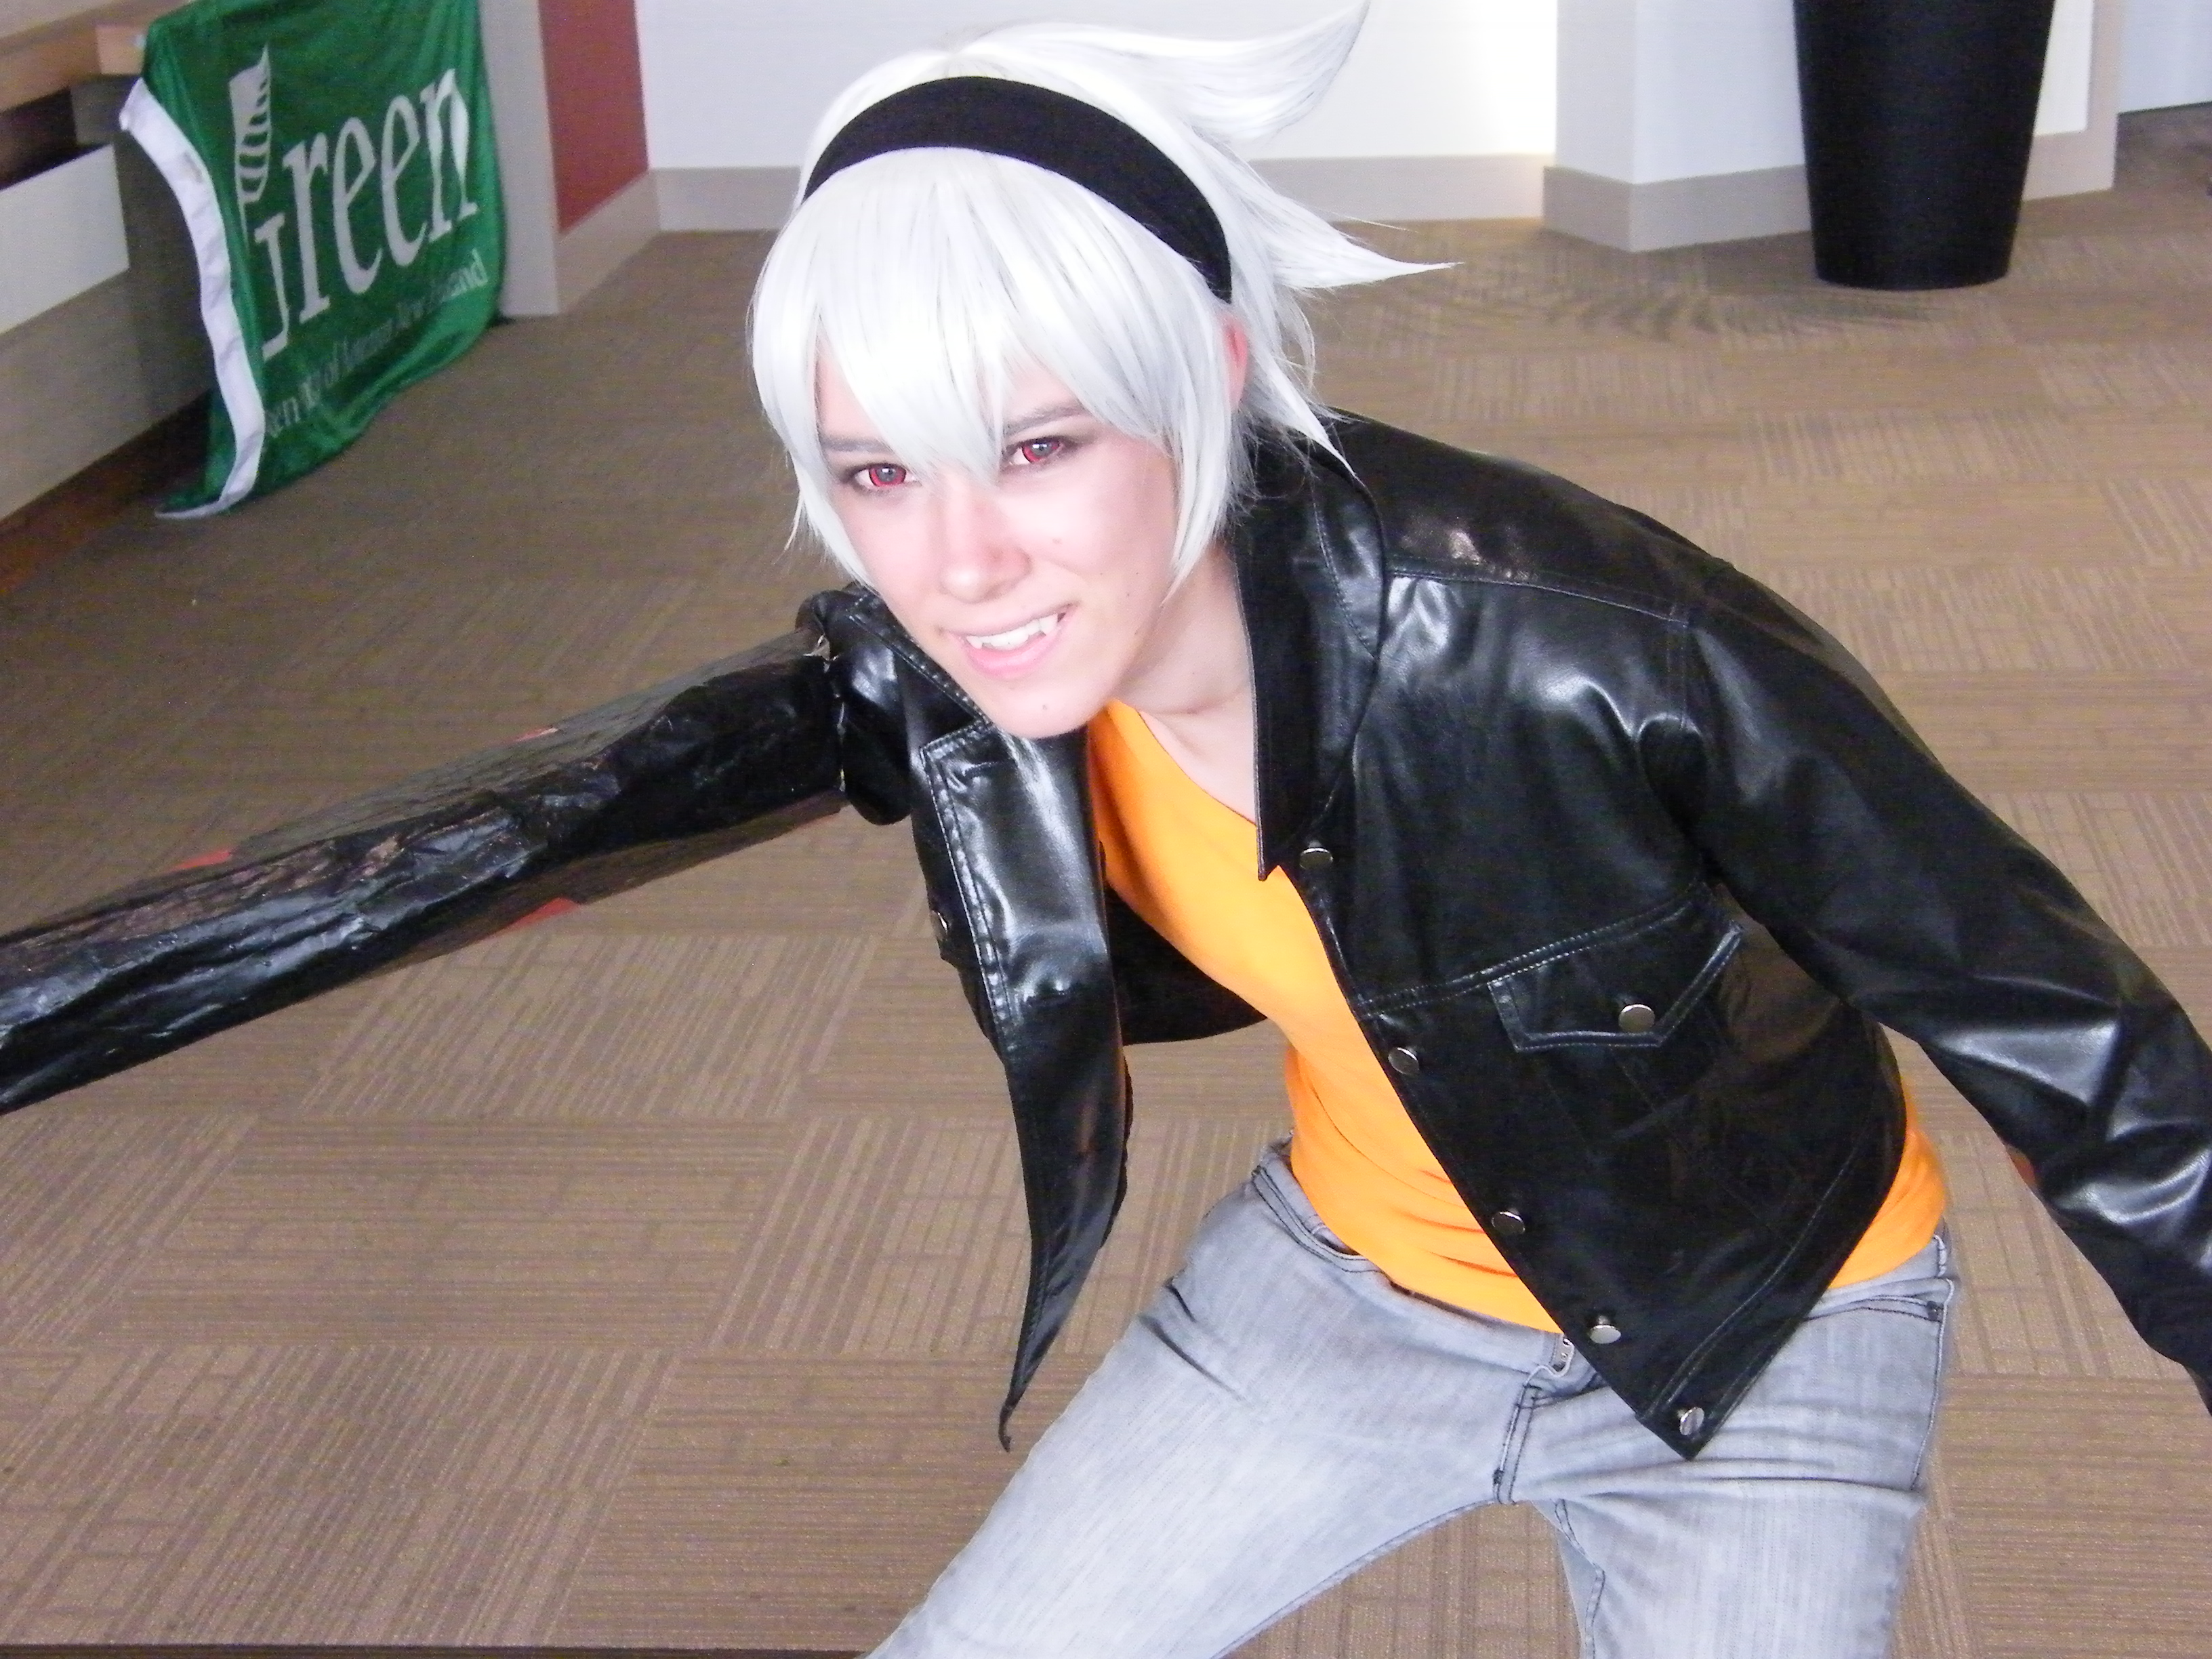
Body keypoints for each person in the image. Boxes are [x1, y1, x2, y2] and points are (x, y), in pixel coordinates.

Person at [3, 12, 2211, 1658]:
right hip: (1362, 1287)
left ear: (1208, 378)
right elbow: (521, 824)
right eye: (881, 473)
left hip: (1757, 1315)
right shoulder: (937, 655)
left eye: (1041, 446)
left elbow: (2086, 1049)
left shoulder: (1588, 644)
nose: (960, 565)